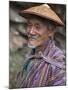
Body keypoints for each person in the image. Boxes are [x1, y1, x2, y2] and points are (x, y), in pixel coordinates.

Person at [16, 4, 66, 88]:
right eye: (29, 25)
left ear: (51, 32)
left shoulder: (57, 65)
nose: (31, 31)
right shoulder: (33, 55)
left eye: (37, 27)